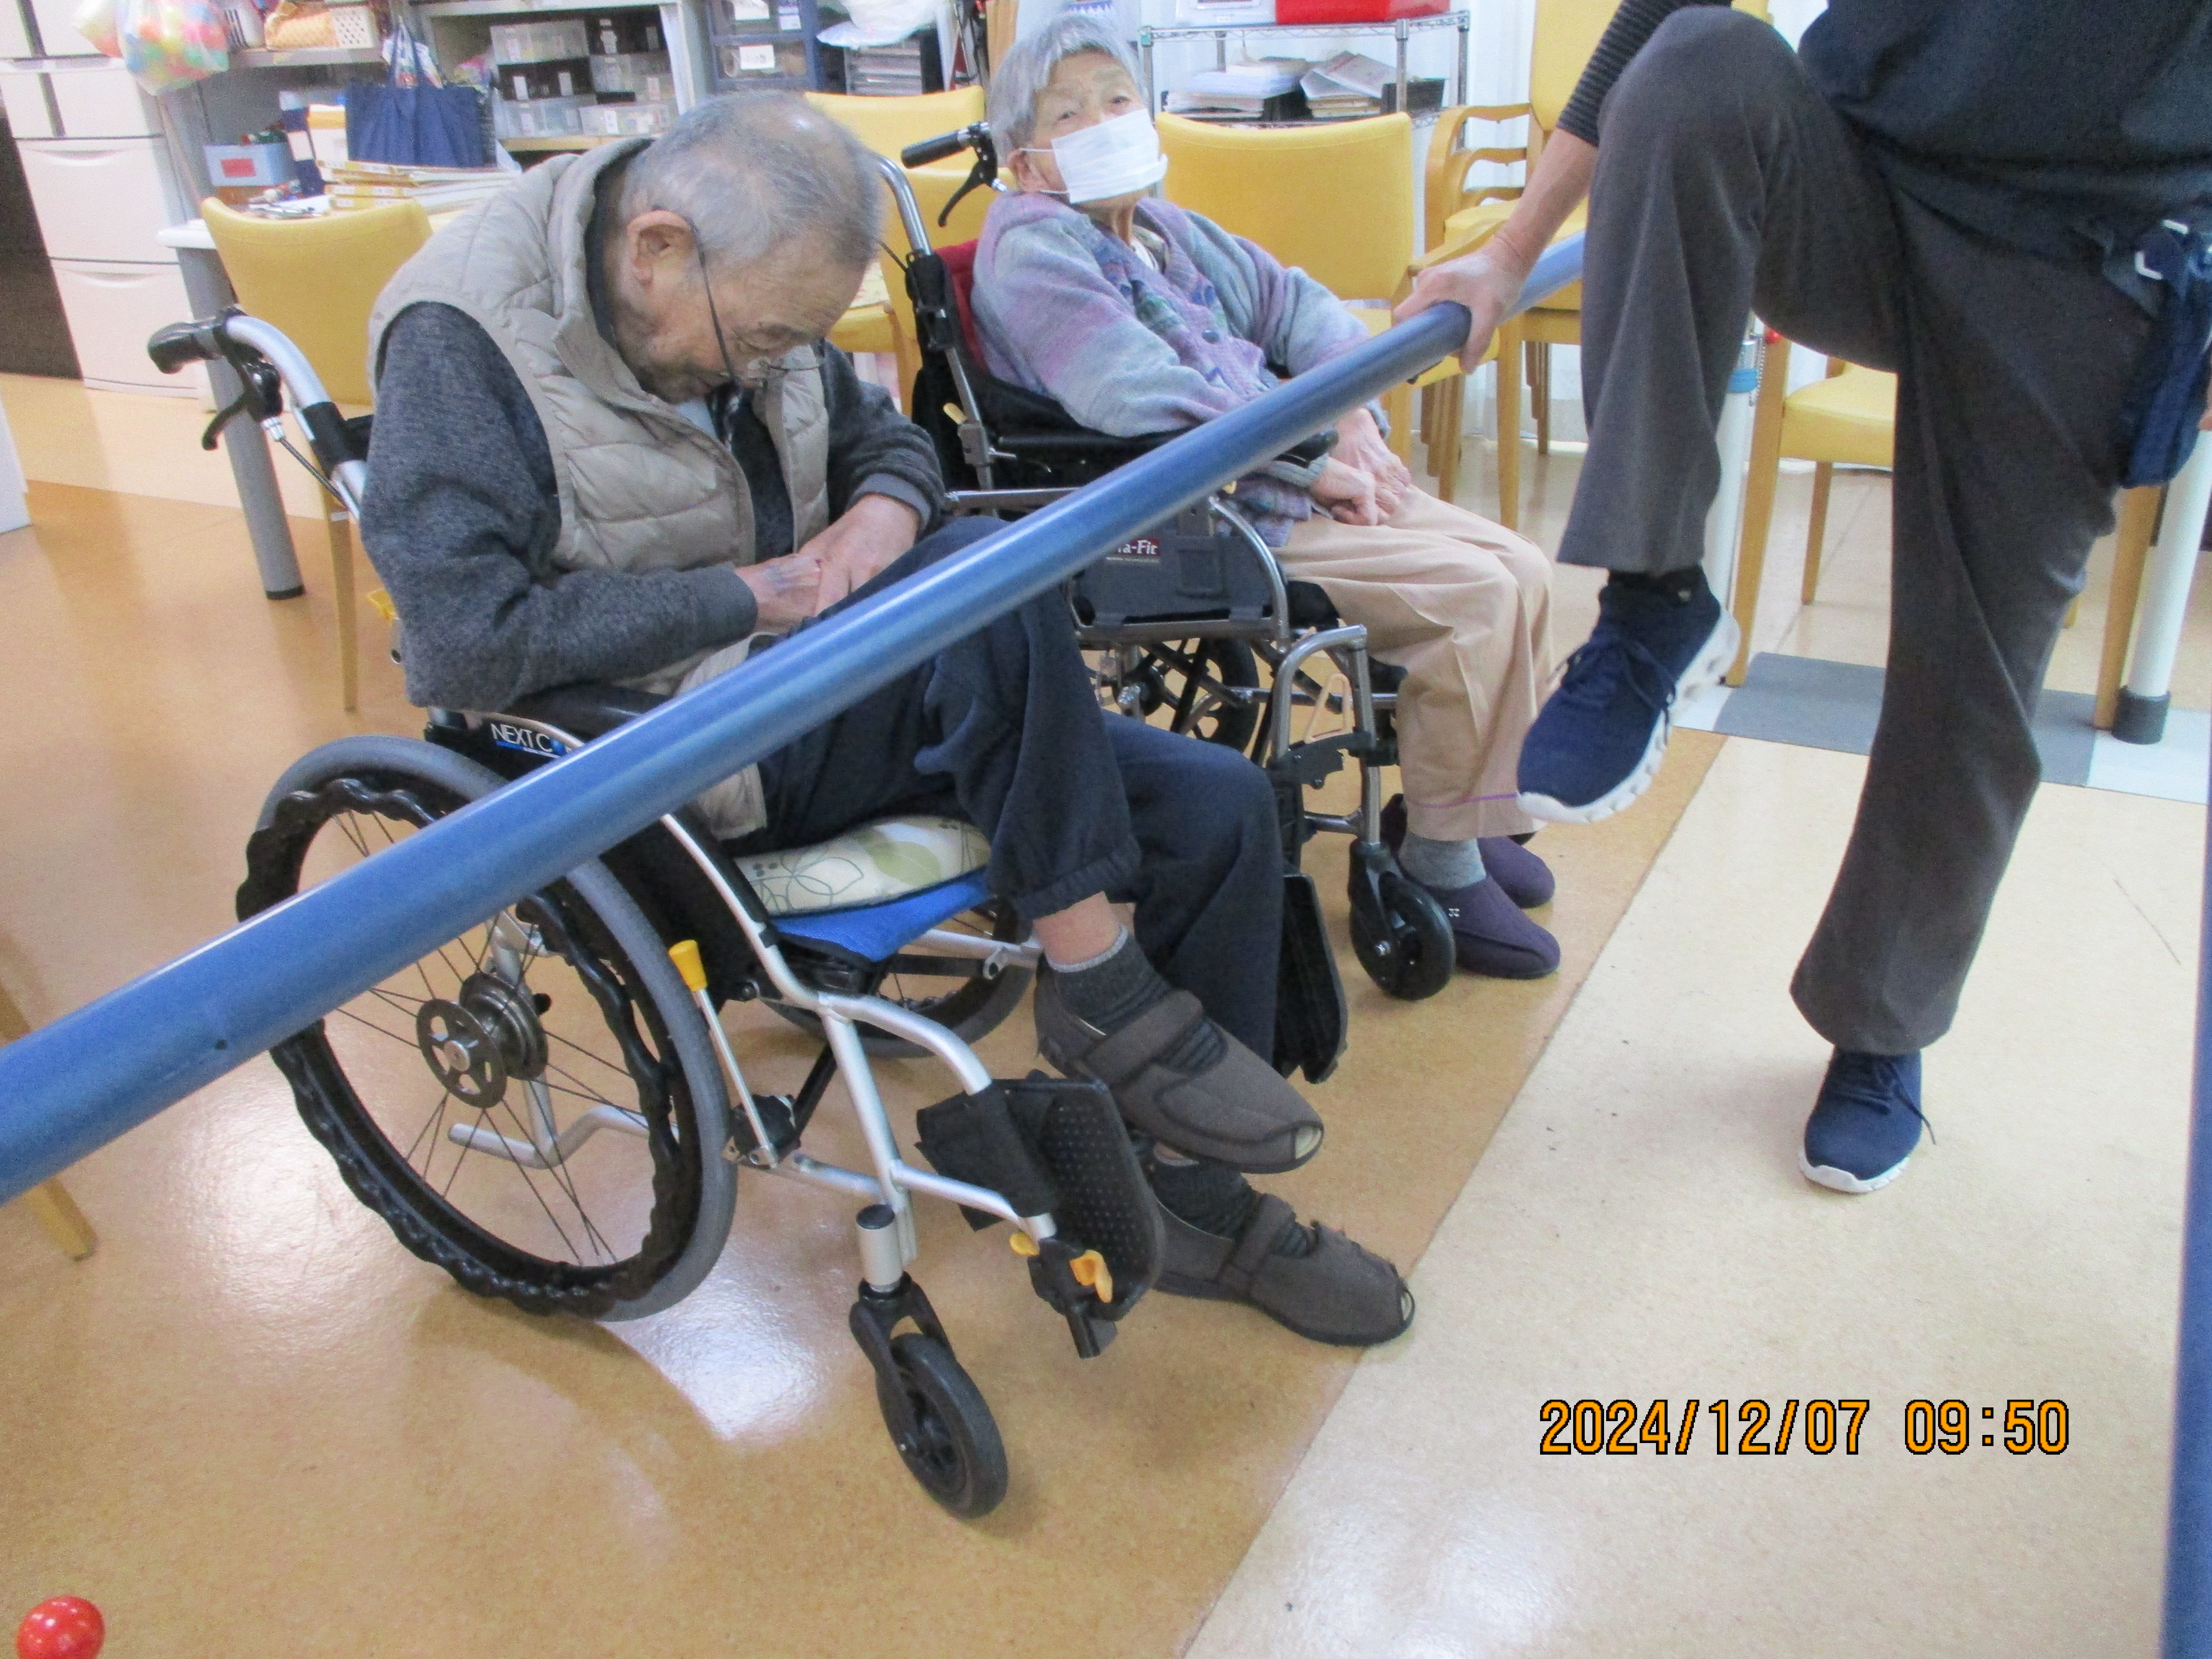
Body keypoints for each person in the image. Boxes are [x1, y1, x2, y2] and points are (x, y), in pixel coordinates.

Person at [359, 90, 1413, 1345]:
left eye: (795, 342)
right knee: (976, 584)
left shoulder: (753, 278)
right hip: (670, 745)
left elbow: (895, 447)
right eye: (762, 338)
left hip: (839, 682)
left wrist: (879, 519)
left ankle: (1195, 1201)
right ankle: (1096, 980)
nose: (772, 363)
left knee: (1220, 807)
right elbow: (462, 641)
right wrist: (744, 595)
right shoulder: (463, 343)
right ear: (655, 249)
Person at [1401, 0, 2212, 1192]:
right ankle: (1655, 596)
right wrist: (1514, 248)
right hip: (1854, 182)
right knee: (1696, 63)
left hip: (2082, 255)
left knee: (1973, 687)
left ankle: (1881, 1023)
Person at [971, 16, 1564, 981]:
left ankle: (1466, 816)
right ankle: (1443, 863)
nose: (1104, 123)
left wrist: (1352, 414)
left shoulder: (1165, 229)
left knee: (1525, 568)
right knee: (1472, 601)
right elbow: (1135, 396)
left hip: (1289, 471)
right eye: (1067, 113)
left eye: (1117, 99)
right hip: (1210, 514)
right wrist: (1309, 458)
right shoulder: (1034, 248)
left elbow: (1298, 305)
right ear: (1024, 158)